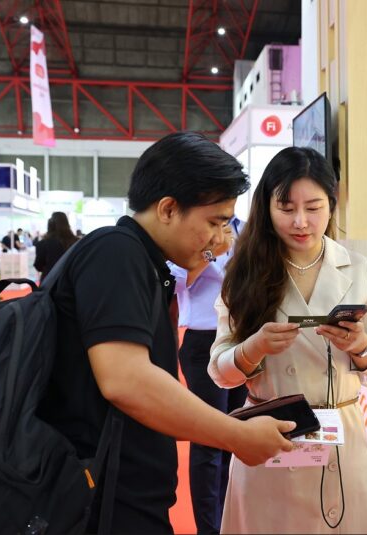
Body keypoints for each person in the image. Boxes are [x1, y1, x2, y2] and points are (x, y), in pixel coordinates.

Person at [35, 132, 296, 533]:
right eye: (214, 222)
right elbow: (126, 380)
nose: (219, 239)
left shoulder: (142, 260)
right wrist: (236, 434)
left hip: (121, 496)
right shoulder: (116, 252)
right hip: (102, 503)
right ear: (169, 209)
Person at [209, 146, 367, 534]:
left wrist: (360, 346)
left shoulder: (357, 268)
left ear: (332, 204)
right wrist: (254, 347)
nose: (300, 222)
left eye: (313, 207)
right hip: (271, 433)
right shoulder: (246, 271)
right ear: (267, 206)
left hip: (339, 433)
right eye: (286, 208)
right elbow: (221, 373)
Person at [168, 216, 245, 534]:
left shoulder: (246, 228)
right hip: (203, 340)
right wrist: (213, 252)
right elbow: (176, 283)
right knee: (210, 440)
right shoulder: (191, 230)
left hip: (243, 340)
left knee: (236, 437)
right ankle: (208, 529)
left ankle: (228, 521)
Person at [34, 212, 78, 281]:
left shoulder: (43, 243)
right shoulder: (77, 242)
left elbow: (38, 266)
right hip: (72, 281)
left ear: (50, 225)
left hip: (49, 282)